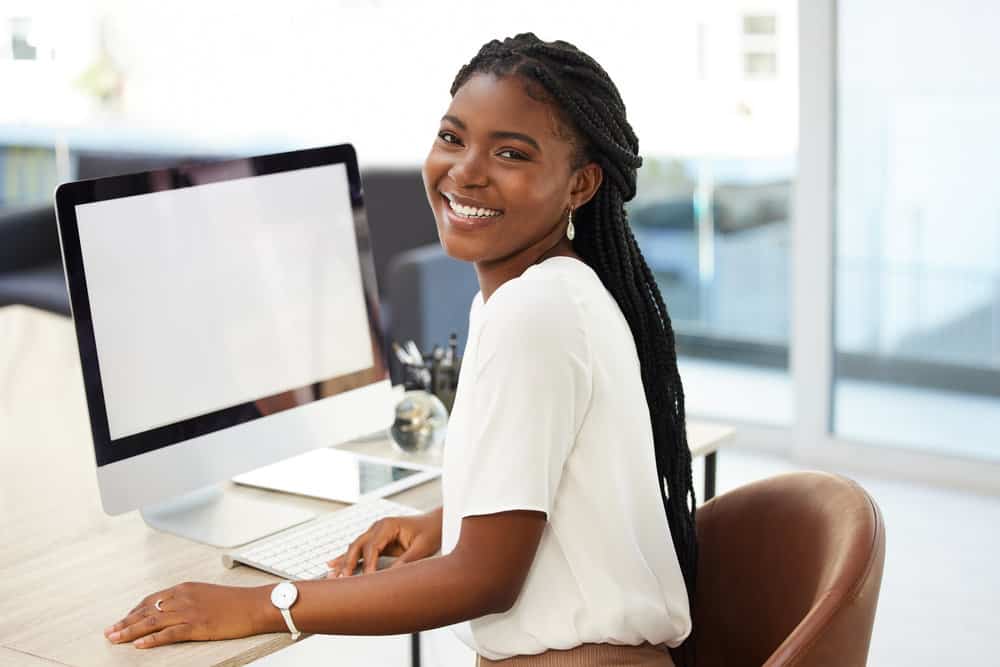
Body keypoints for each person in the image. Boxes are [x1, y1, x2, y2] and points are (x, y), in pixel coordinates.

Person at [103, 32, 699, 667]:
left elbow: (483, 581)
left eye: (511, 153)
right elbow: (553, 467)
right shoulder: (555, 288)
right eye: (452, 137)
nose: (466, 170)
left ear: (579, 185)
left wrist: (260, 603)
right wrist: (448, 518)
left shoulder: (535, 314)